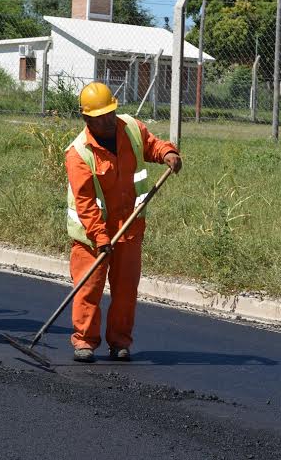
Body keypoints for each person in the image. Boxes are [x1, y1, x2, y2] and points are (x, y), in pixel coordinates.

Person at [65, 81, 182, 363]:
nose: (107, 120)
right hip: (90, 236)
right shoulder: (78, 153)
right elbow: (85, 203)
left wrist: (167, 152)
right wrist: (100, 238)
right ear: (86, 118)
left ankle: (119, 342)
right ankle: (85, 341)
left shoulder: (130, 128)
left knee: (125, 290)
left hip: (128, 228)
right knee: (88, 287)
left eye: (110, 113)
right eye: (100, 117)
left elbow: (151, 145)